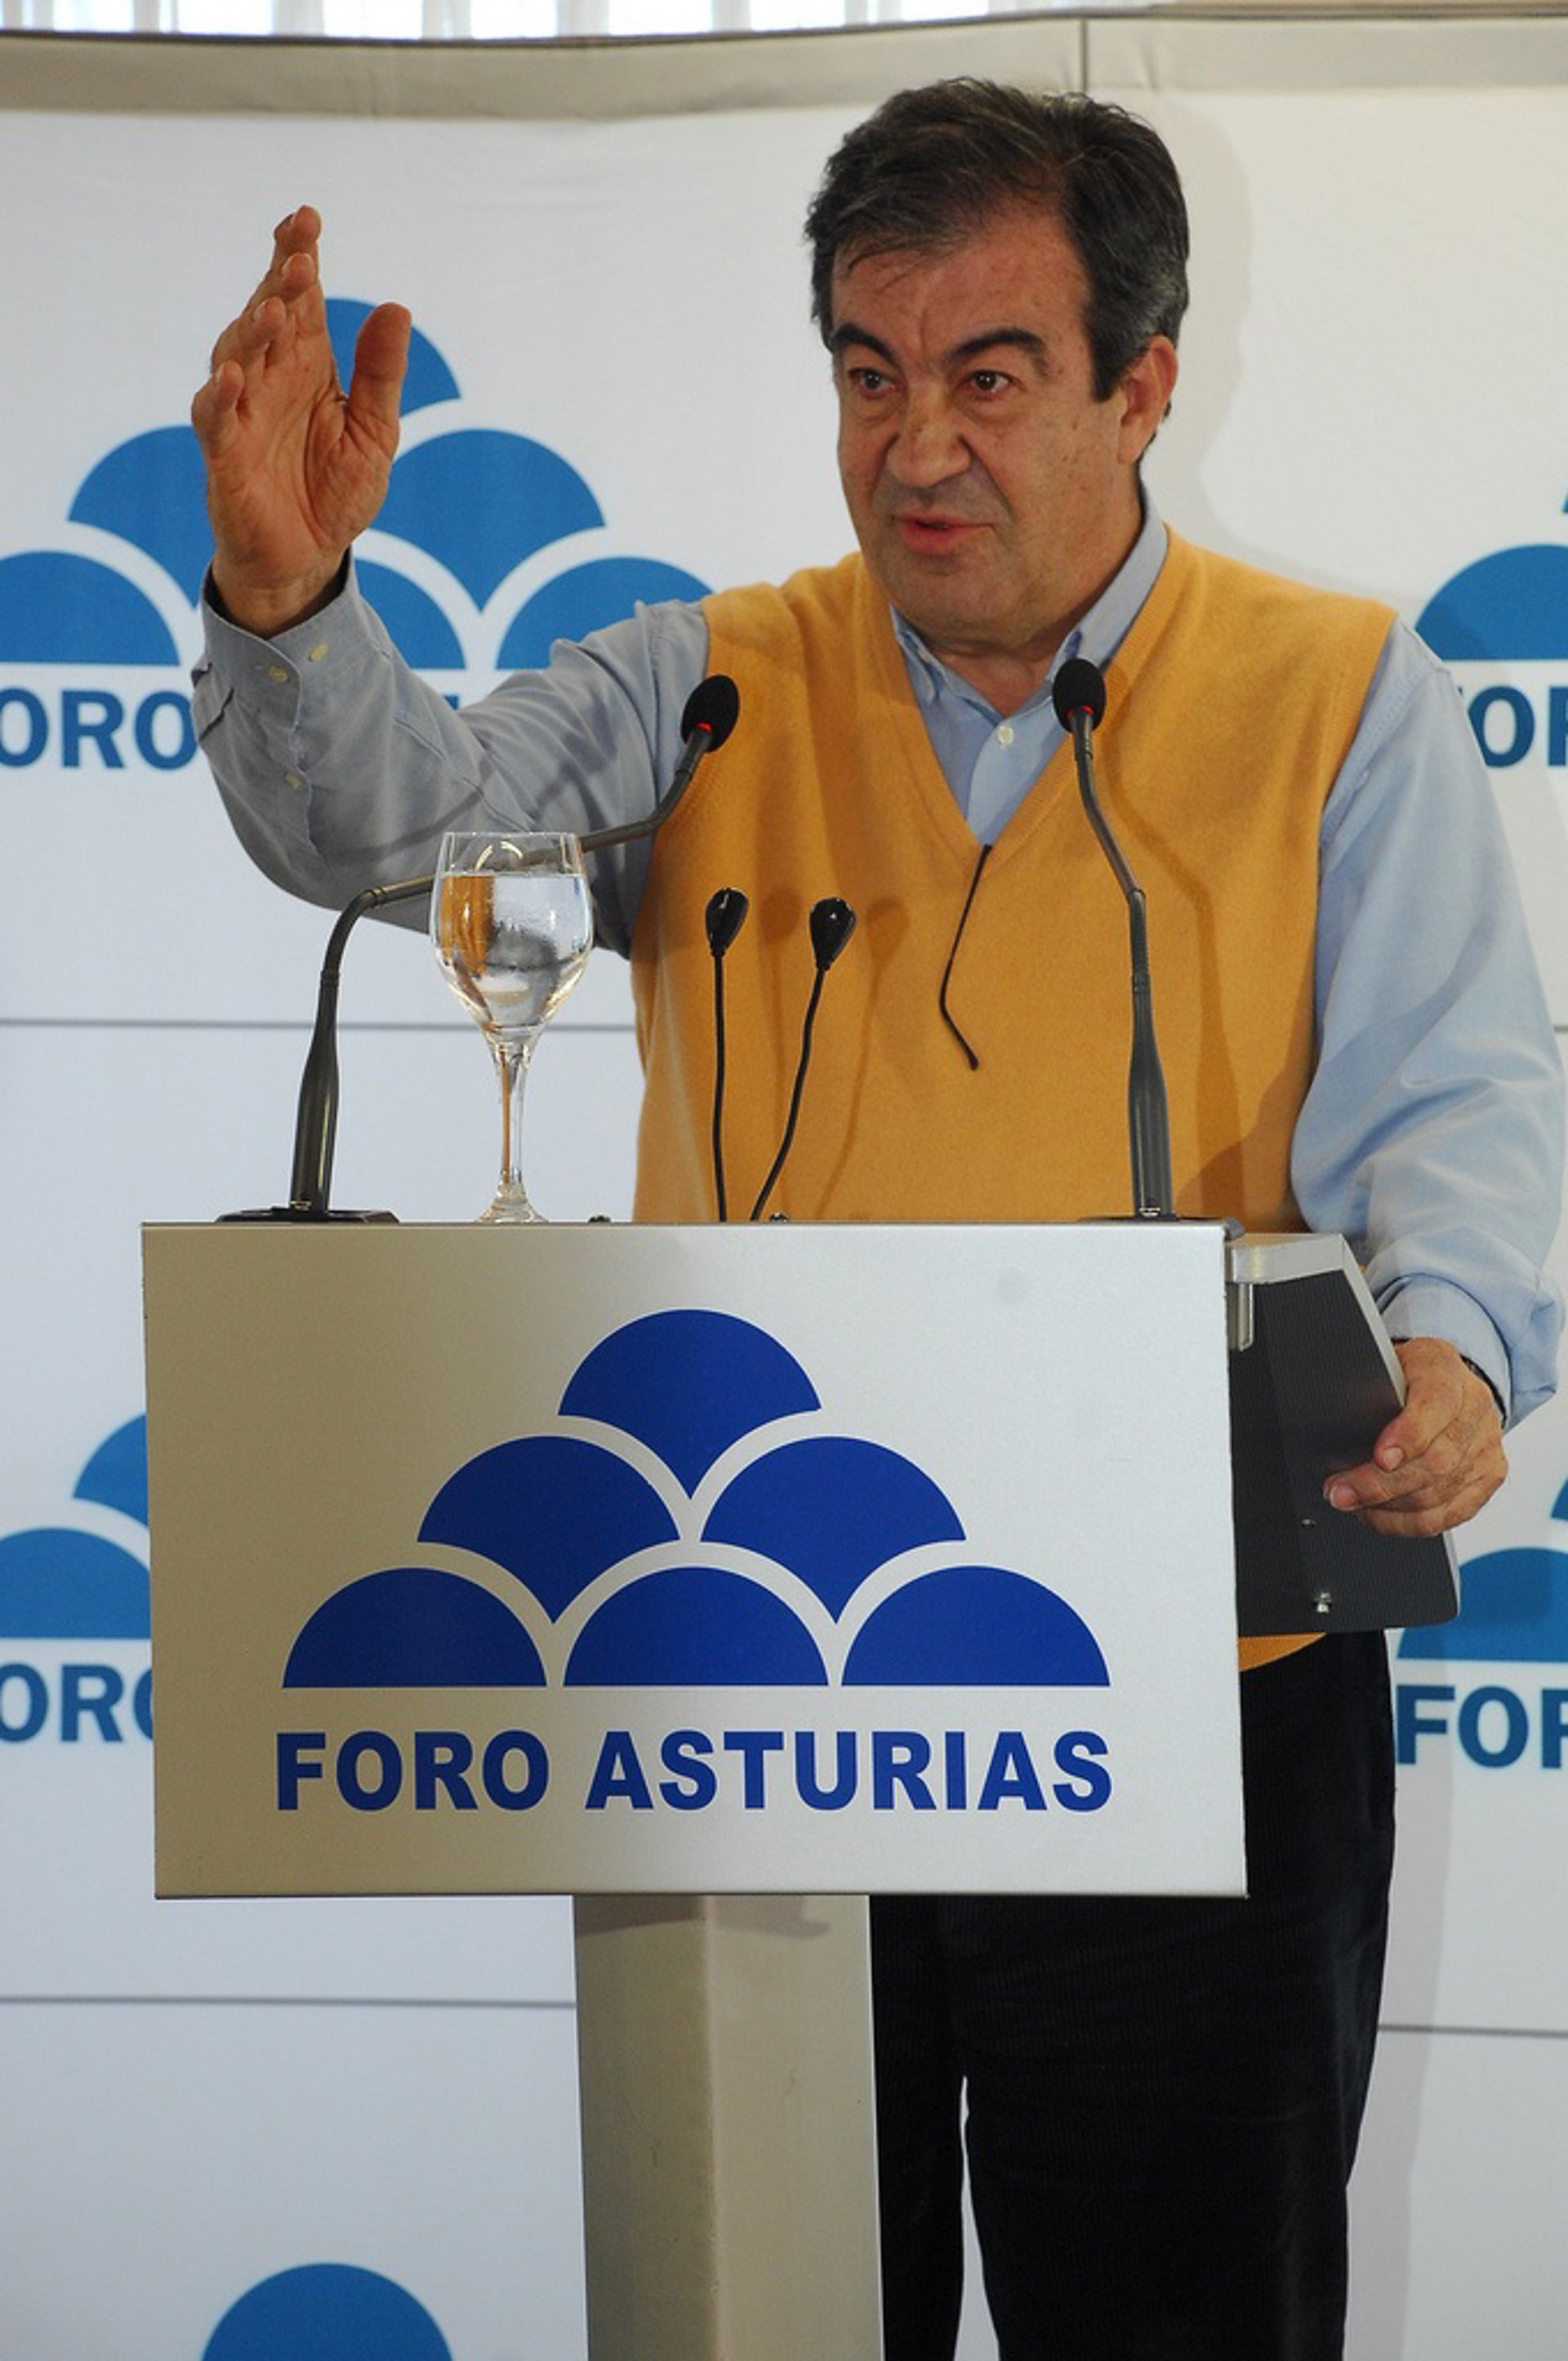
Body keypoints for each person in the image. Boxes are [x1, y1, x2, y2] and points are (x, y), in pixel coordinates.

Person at [190, 80, 1561, 2361]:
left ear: (1143, 383)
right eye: (868, 372)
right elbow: (399, 839)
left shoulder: (1340, 695)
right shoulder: (705, 679)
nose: (917, 446)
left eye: (990, 378)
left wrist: (1452, 1353)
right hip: (746, 1693)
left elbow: (1456, 1099)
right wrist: (288, 598)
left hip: (1197, 1688)